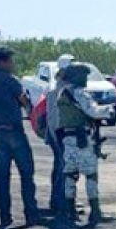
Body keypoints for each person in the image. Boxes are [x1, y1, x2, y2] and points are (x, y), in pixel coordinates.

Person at [0, 45, 41, 228]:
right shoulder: (11, 80)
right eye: (10, 61)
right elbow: (24, 102)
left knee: (3, 175)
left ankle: (5, 215)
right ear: (2, 62)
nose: (13, 64)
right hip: (14, 129)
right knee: (26, 173)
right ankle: (31, 213)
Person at [54, 63, 113, 229]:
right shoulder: (79, 93)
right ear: (76, 77)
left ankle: (70, 211)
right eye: (84, 76)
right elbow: (93, 111)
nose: (86, 79)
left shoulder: (62, 92)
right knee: (90, 175)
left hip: (68, 138)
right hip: (82, 139)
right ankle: (95, 212)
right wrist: (111, 110)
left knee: (70, 175)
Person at [43, 54, 76, 215]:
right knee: (64, 168)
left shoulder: (60, 87)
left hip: (57, 133)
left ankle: (59, 201)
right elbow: (54, 117)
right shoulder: (58, 90)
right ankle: (61, 203)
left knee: (60, 167)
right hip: (60, 133)